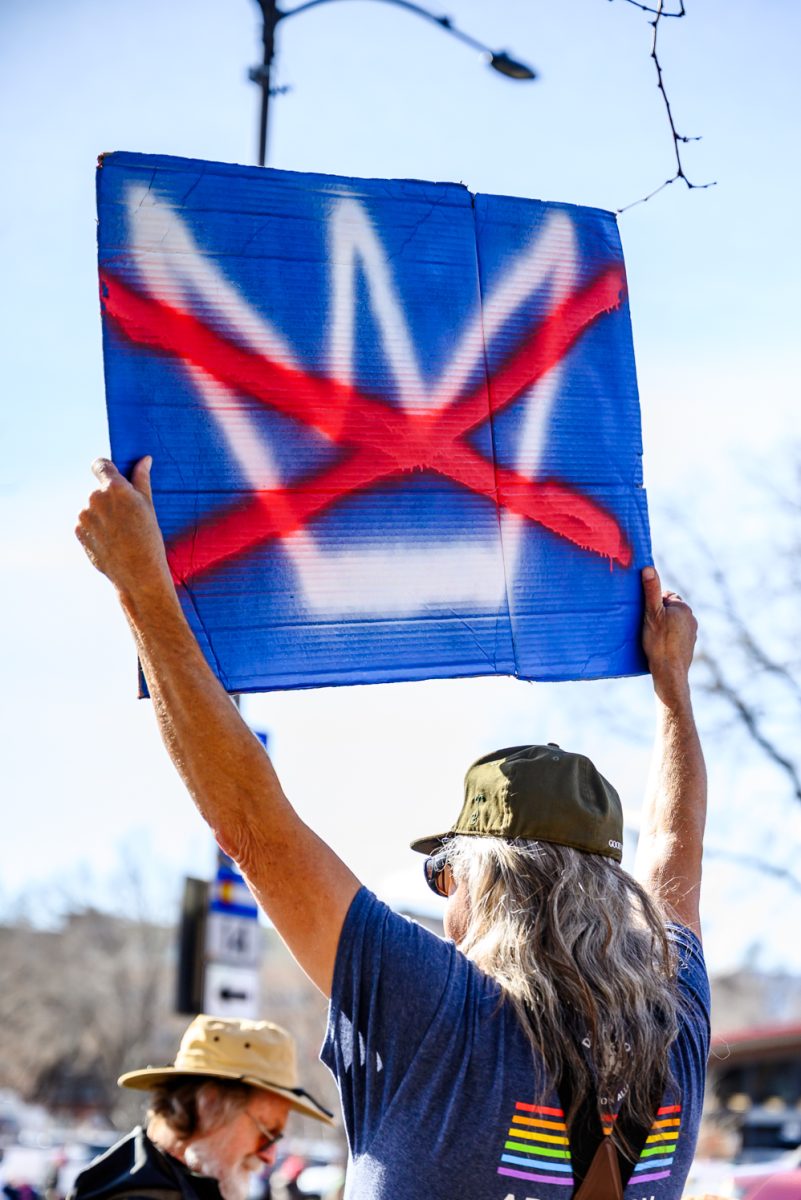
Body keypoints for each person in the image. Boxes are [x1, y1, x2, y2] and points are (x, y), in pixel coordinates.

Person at [76, 457, 709, 1200]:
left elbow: (251, 825)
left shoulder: (433, 1008)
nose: (444, 905)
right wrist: (673, 686)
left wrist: (143, 589)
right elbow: (674, 853)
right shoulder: (677, 1028)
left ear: (485, 881)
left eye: (443, 875)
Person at [69, 1015, 333, 1200]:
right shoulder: (141, 1194)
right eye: (266, 1130)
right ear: (210, 1104)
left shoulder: (165, 1180)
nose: (270, 1157)